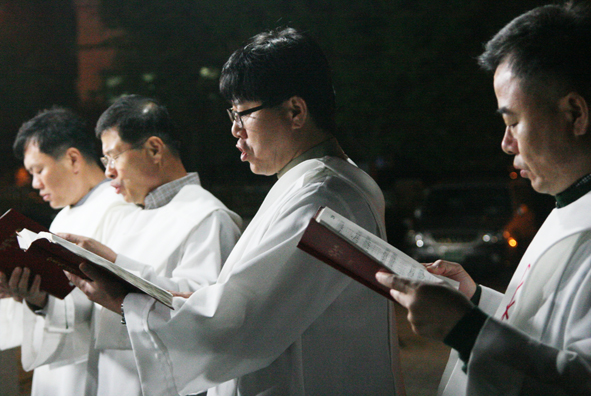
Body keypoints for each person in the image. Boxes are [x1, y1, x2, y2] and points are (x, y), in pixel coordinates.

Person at [67, 28, 403, 395]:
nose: (234, 129)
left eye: (243, 113)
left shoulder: (321, 196)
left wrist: (124, 299)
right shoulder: (313, 183)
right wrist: (120, 269)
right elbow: (233, 299)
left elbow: (237, 323)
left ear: (295, 111)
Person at [376, 2, 591, 396]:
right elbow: (543, 330)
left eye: (513, 122)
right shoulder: (570, 205)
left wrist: (466, 330)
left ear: (575, 114)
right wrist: (473, 300)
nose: (506, 143)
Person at [15, 96, 242, 396]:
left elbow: (205, 317)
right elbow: (97, 318)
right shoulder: (132, 216)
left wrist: (116, 264)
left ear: (154, 150)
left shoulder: (209, 217)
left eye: (113, 157)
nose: (108, 172)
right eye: (105, 160)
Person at [0, 107, 136, 396]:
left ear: (73, 159)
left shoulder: (121, 208)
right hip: (59, 369)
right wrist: (24, 292)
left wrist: (43, 299)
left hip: (101, 368)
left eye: (38, 170)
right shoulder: (62, 217)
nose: (34, 183)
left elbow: (117, 304)